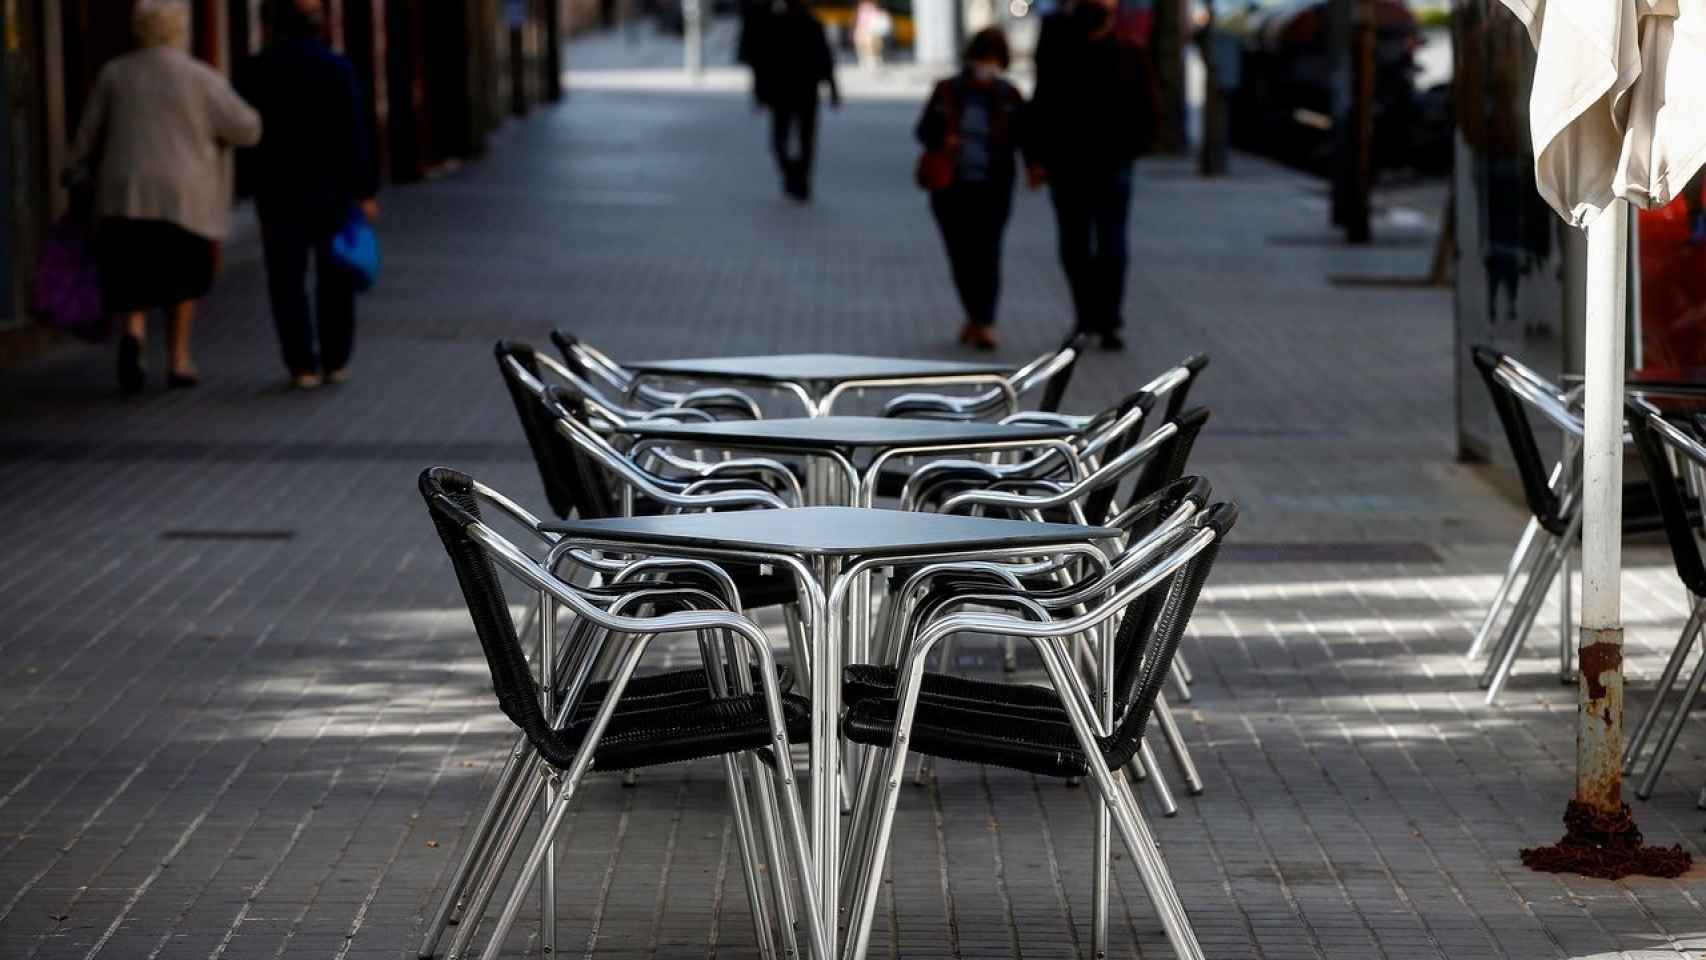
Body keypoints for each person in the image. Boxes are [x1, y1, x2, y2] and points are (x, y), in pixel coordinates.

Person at [70, 0, 262, 393]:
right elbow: (247, 127)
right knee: (183, 277)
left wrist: (75, 171)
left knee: (132, 271)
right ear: (180, 29)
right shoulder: (199, 77)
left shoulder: (115, 73)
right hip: (184, 198)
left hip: (125, 194)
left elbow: (87, 135)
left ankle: (135, 337)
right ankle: (178, 359)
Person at [239, 0, 380, 390]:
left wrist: (246, 182)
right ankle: (335, 358)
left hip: (278, 189)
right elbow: (355, 132)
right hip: (330, 189)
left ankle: (301, 364)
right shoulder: (336, 68)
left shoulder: (256, 69)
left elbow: (244, 136)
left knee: (285, 279)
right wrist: (365, 190)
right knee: (334, 276)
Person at [1028, 0, 1158, 351]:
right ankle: (1104, 320)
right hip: (1097, 164)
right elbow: (1148, 110)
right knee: (1103, 244)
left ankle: (1091, 318)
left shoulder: (1063, 50)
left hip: (1079, 164)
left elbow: (1040, 103)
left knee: (1083, 244)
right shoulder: (1122, 54)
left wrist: (1035, 158)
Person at [916, 28, 1028, 350]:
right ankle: (975, 315)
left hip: (994, 187)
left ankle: (985, 321)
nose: (987, 66)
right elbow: (923, 130)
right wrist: (943, 140)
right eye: (983, 59)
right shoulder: (948, 91)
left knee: (988, 253)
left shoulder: (1009, 96)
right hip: (952, 188)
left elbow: (1026, 136)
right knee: (962, 255)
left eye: (994, 60)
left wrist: (1036, 166)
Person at [738, 0, 840, 202]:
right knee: (803, 139)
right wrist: (833, 89)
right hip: (798, 90)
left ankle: (795, 176)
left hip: (787, 91)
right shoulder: (803, 22)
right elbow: (825, 59)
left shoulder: (777, 23)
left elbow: (758, 62)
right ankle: (798, 177)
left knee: (784, 139)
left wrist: (759, 91)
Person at [852, 0, 890, 70]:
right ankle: (869, 60)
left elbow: (878, 24)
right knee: (864, 41)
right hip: (864, 32)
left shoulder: (874, 9)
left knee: (870, 41)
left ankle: (872, 60)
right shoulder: (862, 8)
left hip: (873, 33)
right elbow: (860, 23)